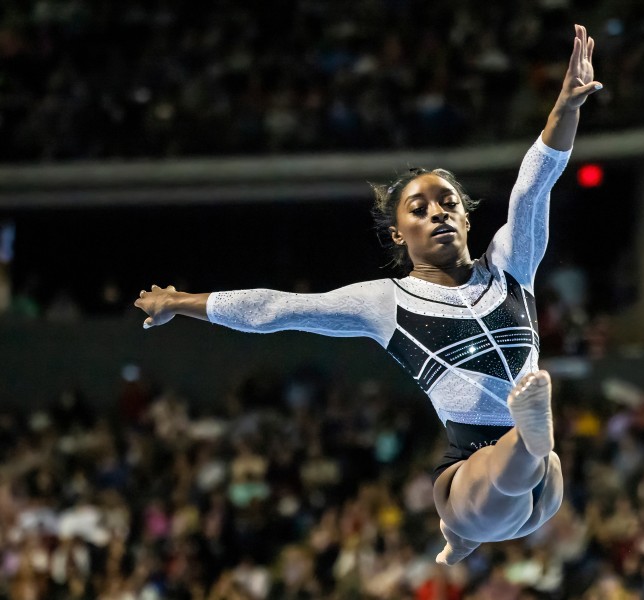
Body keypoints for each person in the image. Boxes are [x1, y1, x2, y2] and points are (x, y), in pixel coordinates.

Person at [135, 24, 602, 565]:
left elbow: (533, 185)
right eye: (419, 209)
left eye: (448, 202)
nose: (438, 214)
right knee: (497, 476)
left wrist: (565, 106)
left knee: (515, 479)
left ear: (468, 215)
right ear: (399, 235)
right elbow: (277, 309)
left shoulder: (510, 265)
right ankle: (518, 451)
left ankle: (506, 473)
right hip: (473, 474)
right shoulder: (386, 302)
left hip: (540, 492)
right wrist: (180, 301)